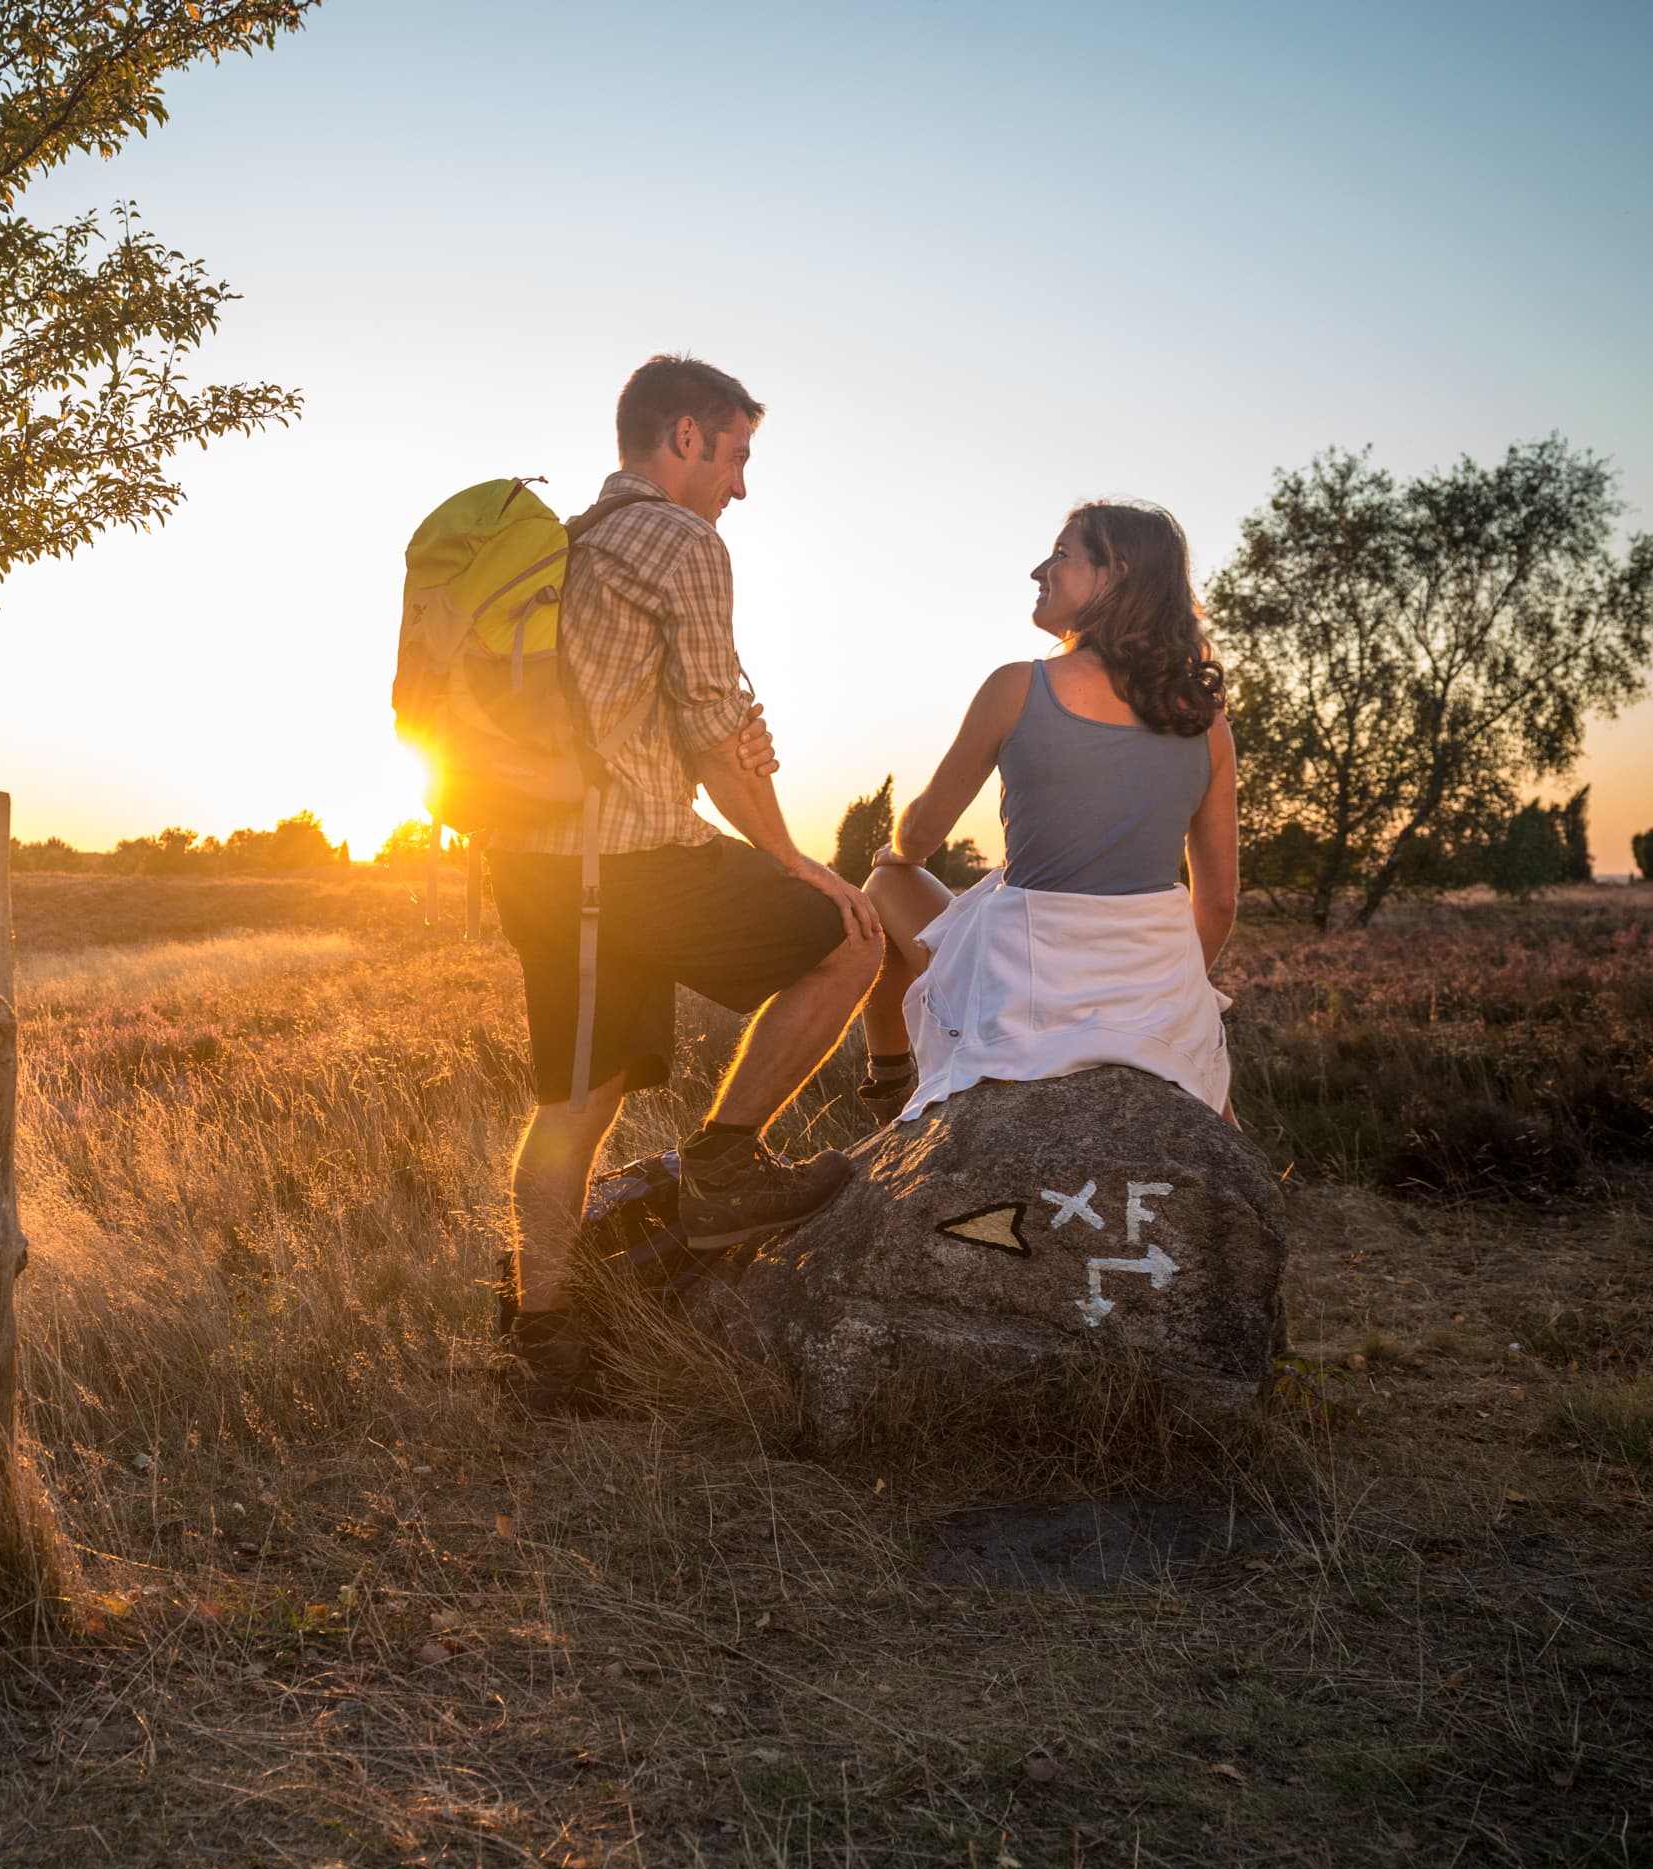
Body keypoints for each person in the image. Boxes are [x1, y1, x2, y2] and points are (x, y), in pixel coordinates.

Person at [487, 355, 884, 1414]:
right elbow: (715, 731)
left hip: (536, 862)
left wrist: (712, 741)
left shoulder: (569, 544)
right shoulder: (680, 539)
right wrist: (796, 861)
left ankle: (545, 1336)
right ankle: (725, 1164)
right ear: (686, 437)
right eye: (738, 454)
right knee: (854, 936)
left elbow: (640, 718)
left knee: (577, 1104)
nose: (741, 486)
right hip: (627, 868)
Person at [857, 502, 1239, 1123]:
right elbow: (1218, 903)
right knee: (1226, 1133)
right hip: (1155, 988)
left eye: (1062, 555)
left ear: (1114, 574)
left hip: (1027, 984)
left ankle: (889, 1088)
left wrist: (896, 850)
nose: (1041, 569)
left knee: (884, 881)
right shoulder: (1207, 724)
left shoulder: (1017, 686)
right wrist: (1162, 995)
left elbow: (921, 835)